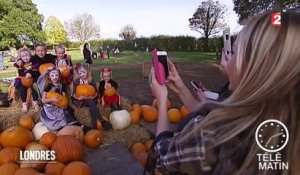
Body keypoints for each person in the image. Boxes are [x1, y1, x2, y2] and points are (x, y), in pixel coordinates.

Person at [148, 11, 300, 175]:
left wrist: (162, 100)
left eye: (233, 52)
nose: (227, 59)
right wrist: (181, 89)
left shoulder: (216, 133)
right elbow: (210, 115)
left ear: (254, 67)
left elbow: (162, 156)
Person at [37, 66, 78, 132]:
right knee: (58, 116)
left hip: (60, 103)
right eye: (52, 75)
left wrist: (65, 103)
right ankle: (61, 128)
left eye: (56, 75)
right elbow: (43, 100)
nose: (54, 77)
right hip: (51, 105)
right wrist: (52, 99)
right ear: (49, 77)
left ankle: (74, 124)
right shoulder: (48, 86)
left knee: (68, 110)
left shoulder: (62, 85)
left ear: (59, 76)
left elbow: (64, 96)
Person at [72, 64, 112, 130]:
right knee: (91, 103)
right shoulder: (77, 81)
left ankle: (94, 126)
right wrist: (79, 98)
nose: (82, 74)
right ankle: (102, 120)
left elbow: (96, 92)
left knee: (91, 104)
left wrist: (92, 97)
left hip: (91, 99)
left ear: (87, 71)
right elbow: (73, 94)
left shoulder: (91, 80)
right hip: (81, 100)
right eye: (80, 73)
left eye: (84, 72)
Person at [14, 48, 40, 112]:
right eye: (23, 56)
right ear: (20, 58)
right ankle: (24, 103)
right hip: (23, 80)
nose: (25, 57)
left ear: (30, 56)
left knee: (35, 86)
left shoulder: (34, 64)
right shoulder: (21, 65)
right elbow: (20, 72)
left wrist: (31, 73)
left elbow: (36, 72)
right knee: (21, 87)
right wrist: (26, 73)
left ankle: (35, 102)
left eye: (27, 55)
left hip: (32, 79)